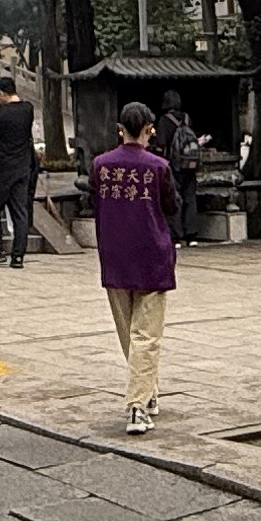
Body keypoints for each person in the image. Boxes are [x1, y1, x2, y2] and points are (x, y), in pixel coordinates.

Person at [90, 99, 179, 435]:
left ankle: (147, 392)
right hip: (152, 257)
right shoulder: (158, 167)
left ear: (120, 129)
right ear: (147, 130)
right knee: (147, 335)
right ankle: (138, 406)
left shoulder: (101, 165)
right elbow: (170, 205)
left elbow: (93, 201)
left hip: (115, 256)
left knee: (129, 333)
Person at [0, 70, 42, 267]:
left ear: (3, 93)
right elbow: (14, 109)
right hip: (23, 169)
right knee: (20, 212)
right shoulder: (28, 109)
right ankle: (17, 257)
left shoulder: (2, 114)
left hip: (2, 168)